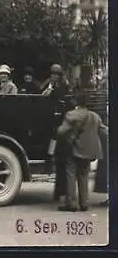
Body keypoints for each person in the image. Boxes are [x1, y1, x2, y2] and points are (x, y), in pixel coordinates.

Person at [57, 91, 108, 212]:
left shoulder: (71, 115)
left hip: (74, 150)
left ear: (75, 101)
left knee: (71, 175)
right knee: (84, 176)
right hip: (88, 152)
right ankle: (84, 203)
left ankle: (71, 204)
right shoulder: (95, 116)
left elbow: (61, 131)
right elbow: (105, 131)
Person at [43, 63, 71, 203]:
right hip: (52, 125)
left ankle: (63, 192)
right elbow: (42, 96)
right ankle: (58, 192)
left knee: (63, 161)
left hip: (62, 126)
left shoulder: (65, 86)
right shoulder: (49, 85)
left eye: (56, 74)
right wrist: (49, 87)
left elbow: (65, 104)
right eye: (52, 73)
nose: (54, 76)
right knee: (56, 158)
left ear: (60, 75)